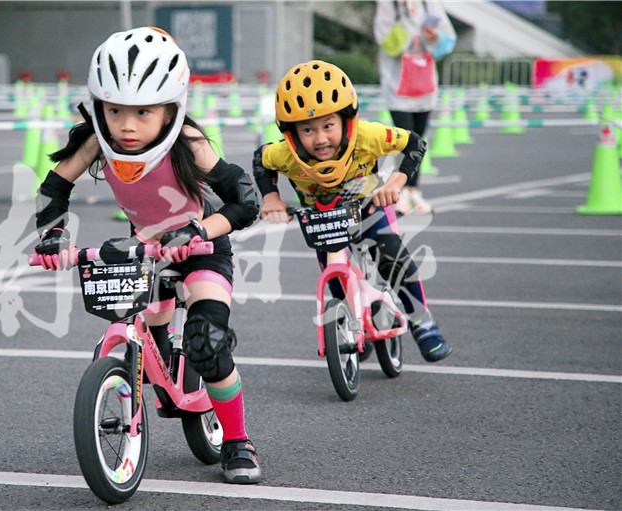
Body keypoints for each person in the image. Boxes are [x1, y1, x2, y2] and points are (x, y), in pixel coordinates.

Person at [32, 27, 262, 484]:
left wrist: (199, 230)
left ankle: (237, 441)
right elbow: (54, 187)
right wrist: (53, 236)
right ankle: (162, 372)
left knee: (207, 341)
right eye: (115, 110)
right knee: (147, 337)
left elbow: (246, 200)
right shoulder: (98, 141)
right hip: (146, 250)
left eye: (143, 112)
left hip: (201, 248)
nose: (127, 126)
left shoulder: (187, 142)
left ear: (170, 109)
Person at [253, 60, 451, 363]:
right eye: (307, 130)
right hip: (324, 218)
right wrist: (271, 199)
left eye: (328, 126)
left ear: (347, 121)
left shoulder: (368, 135)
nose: (320, 139)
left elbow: (414, 143)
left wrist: (395, 184)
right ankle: (352, 320)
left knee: (391, 256)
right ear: (291, 133)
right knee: (335, 280)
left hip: (369, 207)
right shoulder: (283, 153)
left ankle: (422, 323)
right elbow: (261, 160)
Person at [374, 0, 456, 215]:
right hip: (397, 88)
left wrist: (433, 37)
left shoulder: (429, 4)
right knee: (404, 141)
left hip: (424, 87)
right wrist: (406, 20)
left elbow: (447, 42)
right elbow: (389, 45)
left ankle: (413, 190)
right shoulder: (389, 5)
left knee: (419, 140)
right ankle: (399, 190)